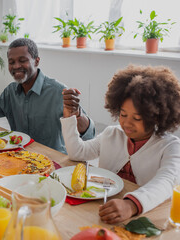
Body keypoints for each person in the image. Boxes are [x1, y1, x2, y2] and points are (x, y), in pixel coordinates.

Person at [61, 65, 180, 224]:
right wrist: (70, 118)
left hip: (143, 217)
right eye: (123, 114)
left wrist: (131, 205)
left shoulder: (170, 146)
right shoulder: (112, 134)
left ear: (156, 117)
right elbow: (78, 153)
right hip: (102, 211)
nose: (126, 123)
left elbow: (165, 182)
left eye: (137, 118)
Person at [0, 38, 95, 153]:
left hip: (53, 162)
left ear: (37, 61)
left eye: (22, 60)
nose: (16, 66)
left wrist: (77, 113)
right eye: (11, 62)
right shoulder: (11, 92)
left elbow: (89, 135)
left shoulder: (58, 92)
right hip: (18, 157)